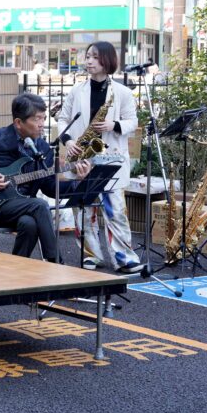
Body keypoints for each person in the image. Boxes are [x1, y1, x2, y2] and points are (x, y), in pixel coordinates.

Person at [0, 92, 91, 263]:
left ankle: (17, 269)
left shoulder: (43, 149)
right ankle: (56, 263)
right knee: (39, 205)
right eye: (37, 119)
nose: (42, 124)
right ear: (18, 123)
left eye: (44, 118)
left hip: (24, 207)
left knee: (29, 224)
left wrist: (79, 182)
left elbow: (50, 188)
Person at [57, 41, 144, 273]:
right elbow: (63, 120)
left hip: (111, 158)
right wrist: (69, 141)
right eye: (87, 56)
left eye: (95, 57)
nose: (89, 61)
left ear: (107, 60)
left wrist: (113, 124)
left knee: (116, 210)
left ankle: (125, 258)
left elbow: (132, 122)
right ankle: (91, 255)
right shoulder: (76, 90)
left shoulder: (123, 92)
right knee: (83, 210)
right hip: (82, 157)